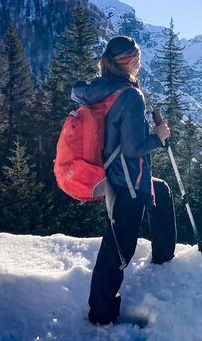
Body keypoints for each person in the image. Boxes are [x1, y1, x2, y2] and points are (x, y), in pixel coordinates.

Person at [71, 35, 174, 325]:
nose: (140, 63)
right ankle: (101, 316)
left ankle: (163, 259)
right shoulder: (129, 95)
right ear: (127, 61)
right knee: (119, 249)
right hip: (127, 181)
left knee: (161, 193)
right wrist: (159, 137)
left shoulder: (101, 88)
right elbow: (133, 148)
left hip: (113, 174)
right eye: (136, 58)